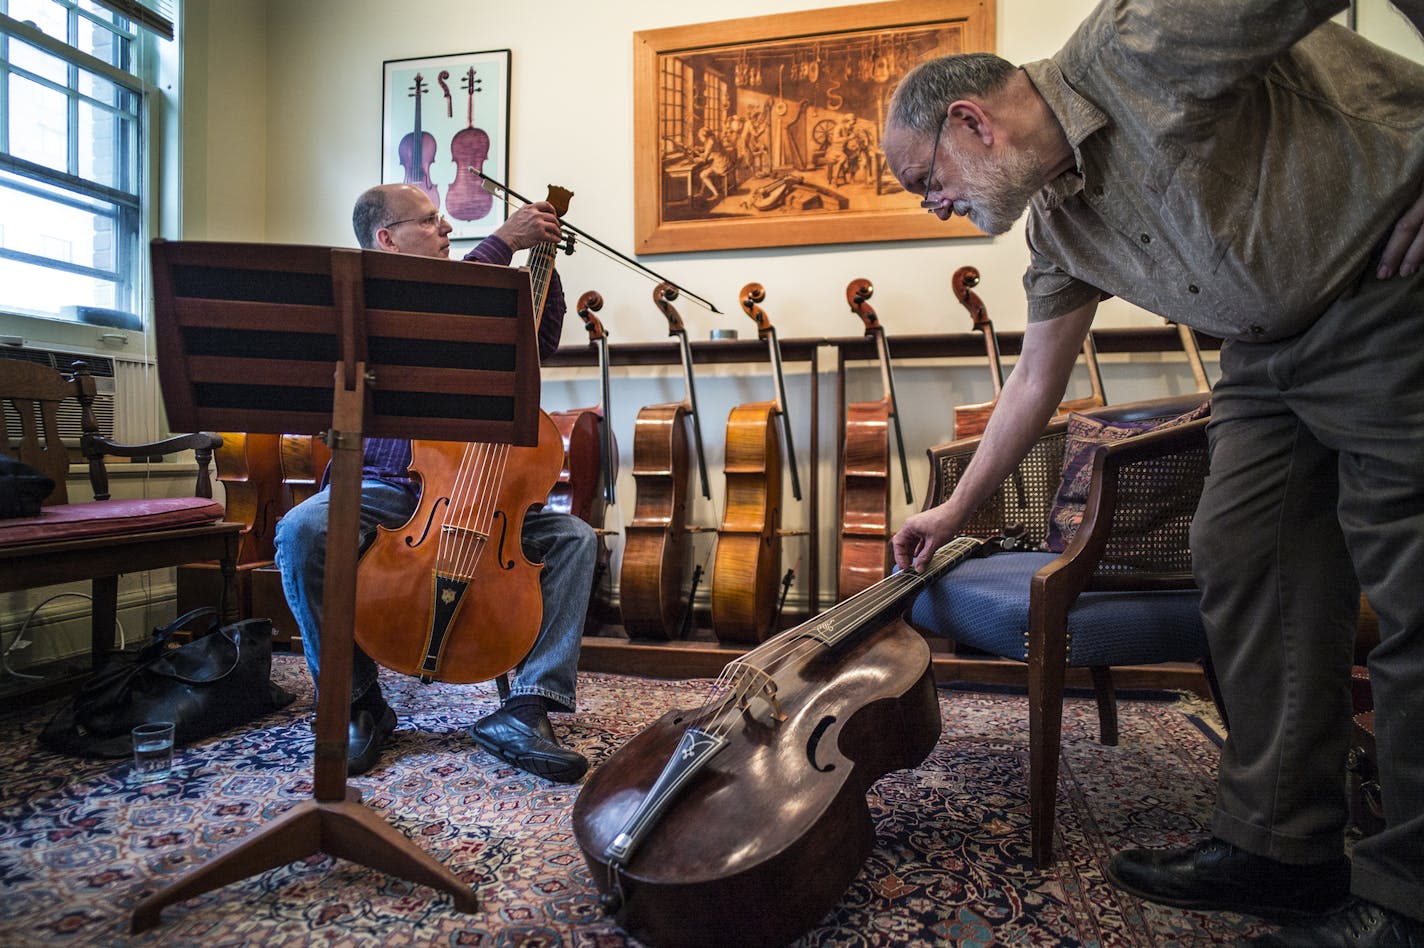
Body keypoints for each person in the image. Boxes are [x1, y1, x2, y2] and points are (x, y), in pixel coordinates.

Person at [881, 2, 1424, 945]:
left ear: (972, 121)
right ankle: (1284, 848)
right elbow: (1034, 383)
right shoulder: (1059, 224)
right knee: (1242, 557)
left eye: (924, 180)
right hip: (1264, 355)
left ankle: (1411, 894)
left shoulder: (1140, 41)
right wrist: (955, 512)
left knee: (1415, 585)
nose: (932, 205)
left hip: (1387, 293)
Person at [273, 183, 598, 784]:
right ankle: (355, 703)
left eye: (444, 220)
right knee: (302, 530)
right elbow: (442, 304)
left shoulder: (479, 288)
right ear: (386, 238)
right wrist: (503, 240)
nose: (447, 228)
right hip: (385, 485)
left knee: (574, 538)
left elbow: (537, 344)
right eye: (430, 221)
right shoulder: (374, 297)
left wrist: (541, 267)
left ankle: (528, 708)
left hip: (482, 491)